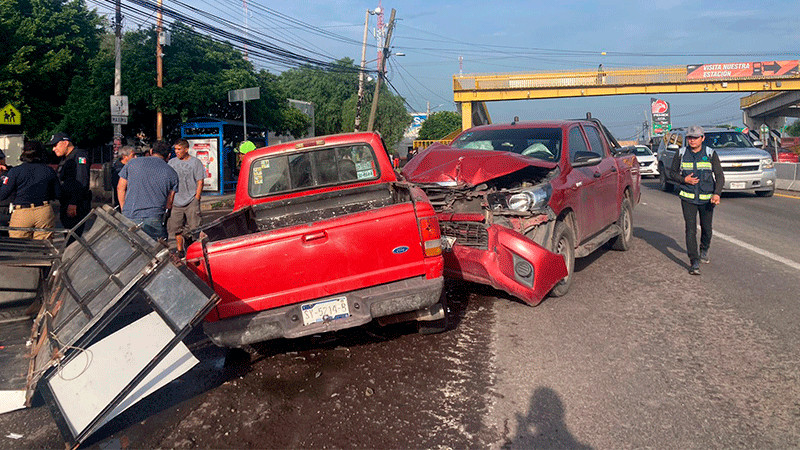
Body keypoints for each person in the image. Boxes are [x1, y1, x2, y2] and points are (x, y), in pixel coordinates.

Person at [669, 125, 724, 275]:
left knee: (707, 229)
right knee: (690, 230)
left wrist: (717, 194)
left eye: (695, 138)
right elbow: (672, 173)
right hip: (688, 198)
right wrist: (683, 179)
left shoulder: (710, 153)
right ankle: (694, 261)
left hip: (707, 200)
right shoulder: (681, 153)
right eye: (689, 138)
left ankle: (704, 249)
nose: (692, 140)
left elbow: (719, 175)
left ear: (702, 138)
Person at [117, 141, 179, 241]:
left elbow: (120, 187)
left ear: (151, 151)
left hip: (130, 214)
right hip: (154, 217)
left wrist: (124, 208)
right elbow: (169, 203)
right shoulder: (172, 173)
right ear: (168, 155)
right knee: (155, 248)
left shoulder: (132, 163)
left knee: (129, 246)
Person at [0, 141, 60, 239]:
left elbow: (3, 194)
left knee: (19, 244)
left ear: (23, 153)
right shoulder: (49, 170)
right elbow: (57, 193)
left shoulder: (15, 171)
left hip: (22, 212)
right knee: (44, 245)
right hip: (43, 211)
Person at [47, 132, 91, 234]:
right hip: (67, 202)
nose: (53, 149)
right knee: (68, 234)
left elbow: (82, 180)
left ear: (66, 143)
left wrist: (73, 203)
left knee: (72, 236)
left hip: (76, 204)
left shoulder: (79, 155)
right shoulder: (67, 158)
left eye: (55, 145)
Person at [167, 139, 205, 256]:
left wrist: (197, 198)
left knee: (195, 227)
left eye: (179, 149)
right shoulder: (171, 163)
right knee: (176, 228)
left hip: (191, 200)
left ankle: (194, 249)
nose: (176, 152)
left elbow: (200, 181)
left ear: (186, 149)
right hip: (176, 201)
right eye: (175, 149)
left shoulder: (195, 162)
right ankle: (180, 250)